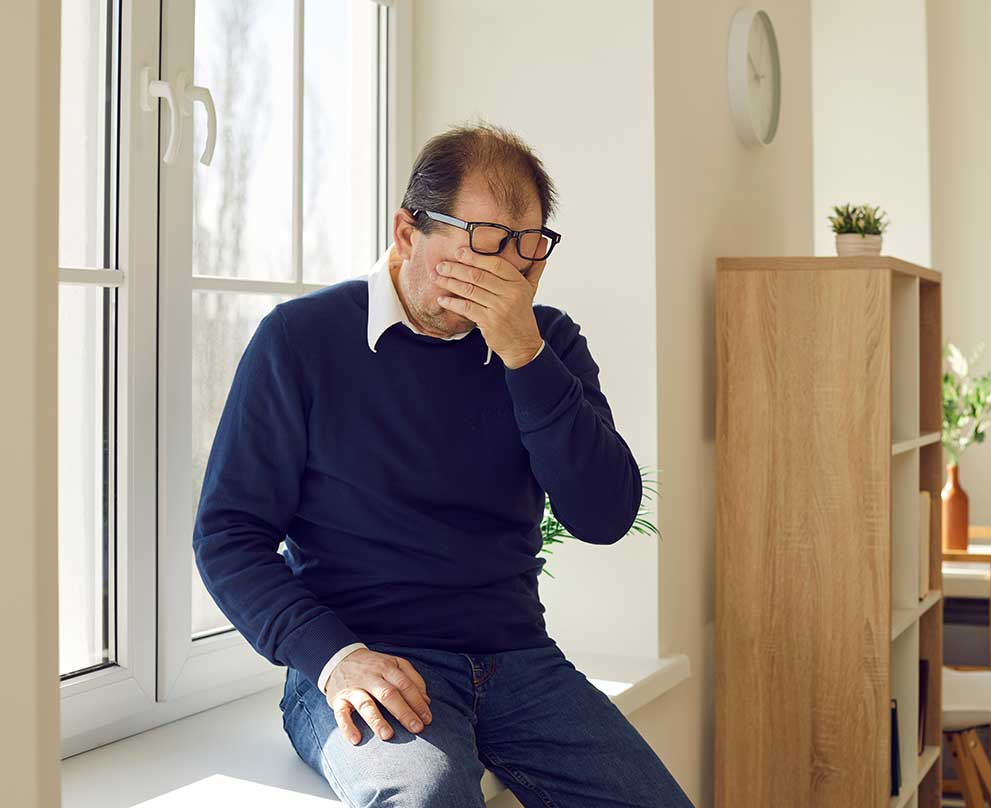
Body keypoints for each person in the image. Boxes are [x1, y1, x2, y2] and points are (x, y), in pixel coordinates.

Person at [193, 122, 693, 808]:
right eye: (480, 250)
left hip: (518, 660)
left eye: (526, 257)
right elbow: (227, 535)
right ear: (407, 233)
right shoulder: (302, 339)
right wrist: (336, 661)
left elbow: (604, 516)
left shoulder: (548, 344)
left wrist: (525, 355)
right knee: (424, 798)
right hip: (366, 658)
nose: (504, 280)